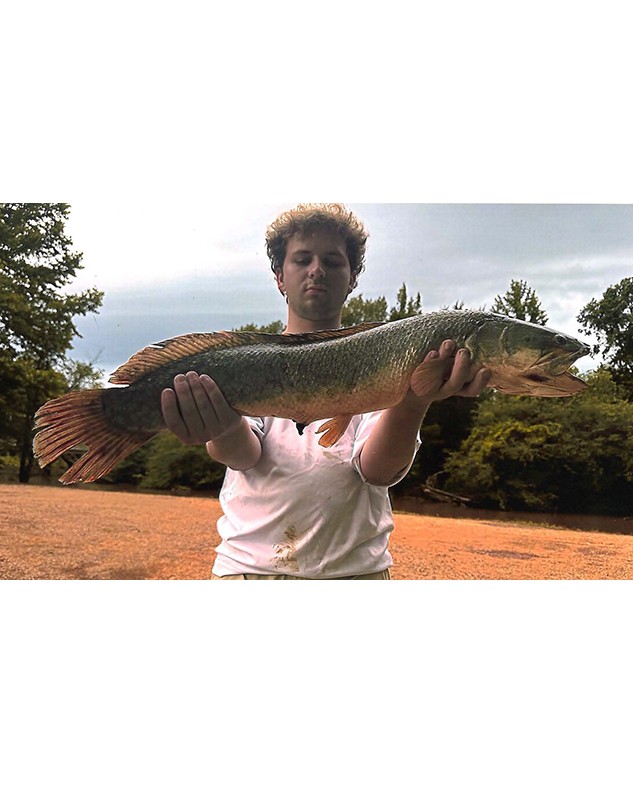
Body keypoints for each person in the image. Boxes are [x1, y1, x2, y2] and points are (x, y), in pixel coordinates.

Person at [160, 204, 491, 579]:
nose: (316, 269)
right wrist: (220, 427)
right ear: (279, 277)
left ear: (352, 278)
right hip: (248, 571)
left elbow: (378, 471)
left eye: (333, 261)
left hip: (355, 575)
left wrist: (414, 401)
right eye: (302, 259)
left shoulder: (386, 359)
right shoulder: (249, 362)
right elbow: (243, 456)